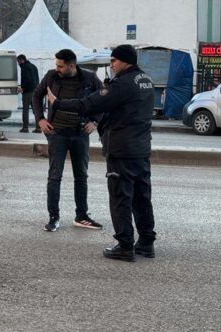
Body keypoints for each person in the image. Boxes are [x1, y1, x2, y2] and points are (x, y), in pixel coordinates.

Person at [47, 44, 157, 262]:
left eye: (114, 61)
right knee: (141, 196)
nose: (111, 65)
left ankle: (125, 245)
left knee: (120, 197)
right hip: (141, 148)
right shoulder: (146, 80)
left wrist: (58, 103)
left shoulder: (123, 84)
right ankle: (146, 242)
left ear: (126, 61)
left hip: (122, 148)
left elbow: (90, 104)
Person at [32, 49, 104, 232]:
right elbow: (36, 96)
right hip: (57, 134)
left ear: (71, 66)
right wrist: (40, 119)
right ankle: (53, 217)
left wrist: (94, 121)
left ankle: (81, 216)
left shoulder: (89, 78)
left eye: (60, 66)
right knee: (55, 176)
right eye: (56, 65)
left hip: (80, 134)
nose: (56, 68)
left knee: (81, 176)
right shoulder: (51, 77)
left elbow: (104, 98)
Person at [17, 54, 39, 133]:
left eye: (18, 62)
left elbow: (27, 79)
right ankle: (38, 128)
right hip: (36, 91)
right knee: (36, 110)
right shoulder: (34, 66)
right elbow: (36, 79)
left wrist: (23, 88)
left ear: (21, 60)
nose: (18, 64)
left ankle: (25, 128)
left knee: (25, 110)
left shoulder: (24, 67)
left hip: (28, 92)